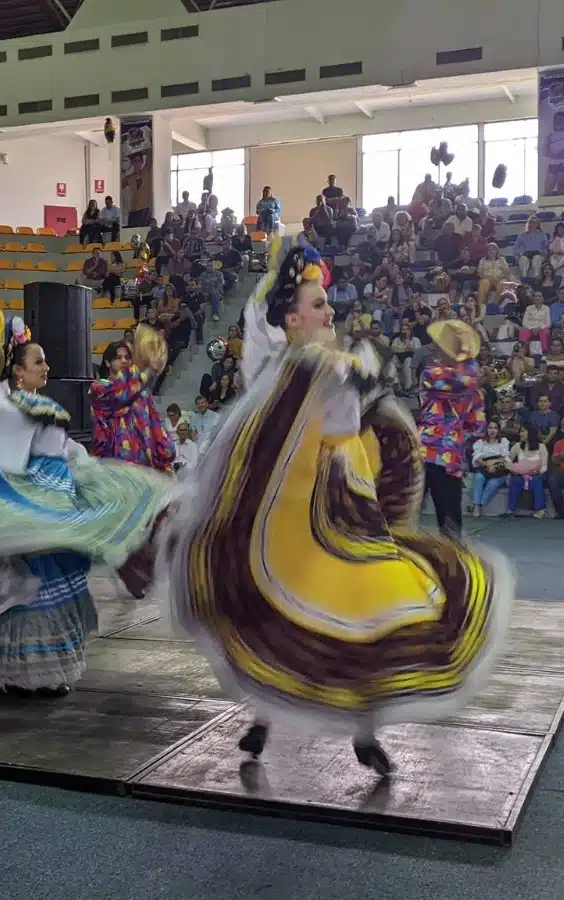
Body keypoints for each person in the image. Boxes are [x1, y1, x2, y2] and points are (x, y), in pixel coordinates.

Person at [158, 236, 514, 776]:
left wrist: (360, 386)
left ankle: (362, 730)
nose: (330, 311)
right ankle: (267, 713)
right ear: (293, 319)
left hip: (343, 501)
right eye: (318, 304)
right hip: (288, 511)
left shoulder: (336, 364)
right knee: (275, 607)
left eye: (328, 302)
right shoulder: (280, 363)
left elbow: (347, 426)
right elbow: (264, 328)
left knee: (361, 605)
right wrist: (285, 276)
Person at [0, 313, 171, 695]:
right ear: (18, 371)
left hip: (55, 495)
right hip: (33, 499)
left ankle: (36, 672)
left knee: (56, 575)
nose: (47, 367)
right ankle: (16, 673)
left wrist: (98, 475)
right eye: (38, 362)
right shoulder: (14, 408)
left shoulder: (39, 406)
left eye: (44, 361)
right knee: (31, 582)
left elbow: (67, 451)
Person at [418, 316, 487, 538]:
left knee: (449, 517)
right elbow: (475, 423)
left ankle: (453, 557)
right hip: (428, 453)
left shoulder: (442, 374)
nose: (439, 351)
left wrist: (455, 439)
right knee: (409, 510)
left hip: (441, 455)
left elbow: (477, 424)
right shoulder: (434, 373)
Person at [89, 329, 173, 471]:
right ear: (108, 362)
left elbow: (155, 423)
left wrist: (165, 448)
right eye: (118, 357)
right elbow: (121, 396)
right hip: (115, 464)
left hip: (145, 463)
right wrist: (149, 372)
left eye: (127, 357)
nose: (124, 361)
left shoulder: (142, 393)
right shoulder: (99, 387)